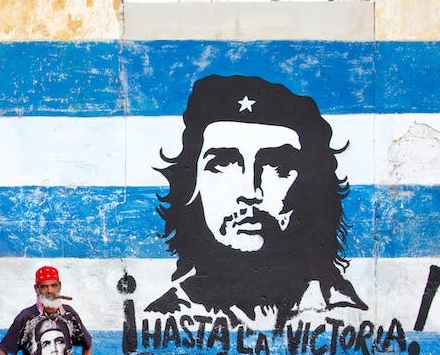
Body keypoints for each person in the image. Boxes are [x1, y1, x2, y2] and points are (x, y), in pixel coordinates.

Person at [150, 74, 366, 329]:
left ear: (313, 189)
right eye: (221, 164)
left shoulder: (345, 316)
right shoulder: (162, 319)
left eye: (277, 165)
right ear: (191, 187)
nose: (251, 191)